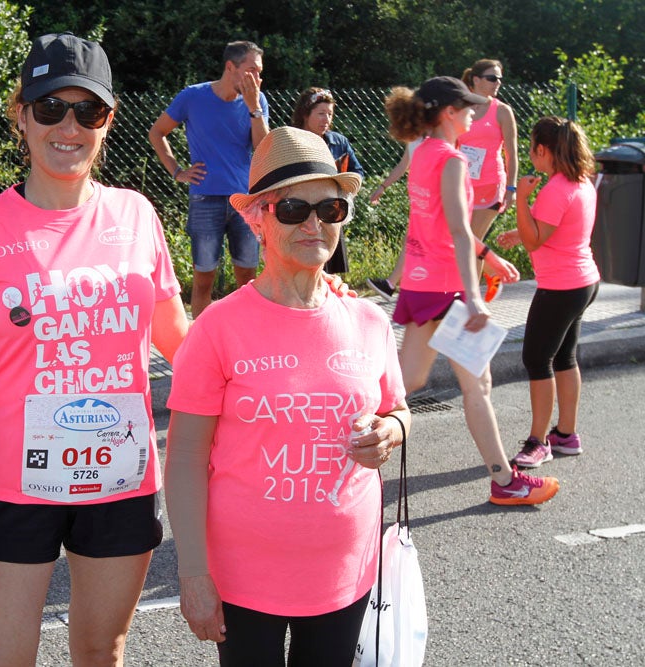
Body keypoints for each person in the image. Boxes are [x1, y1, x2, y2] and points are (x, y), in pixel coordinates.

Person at [0, 33, 191, 666]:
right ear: (21, 114)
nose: (68, 126)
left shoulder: (136, 215)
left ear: (109, 119)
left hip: (119, 481)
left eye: (88, 111)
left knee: (102, 652)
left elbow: (184, 348)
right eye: (50, 108)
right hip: (13, 489)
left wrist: (290, 303)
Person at [164, 126, 411, 666]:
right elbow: (183, 459)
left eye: (330, 208)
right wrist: (193, 573)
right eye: (294, 207)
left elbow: (399, 409)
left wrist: (389, 432)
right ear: (258, 217)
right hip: (243, 575)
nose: (314, 223)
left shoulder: (369, 320)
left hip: (345, 571)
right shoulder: (218, 327)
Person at [384, 76, 559, 506]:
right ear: (448, 112)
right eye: (467, 108)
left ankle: (339, 437)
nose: (474, 114)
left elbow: (437, 225)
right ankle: (506, 480)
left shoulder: (423, 153)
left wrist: (490, 256)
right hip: (448, 290)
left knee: (407, 380)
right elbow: (460, 233)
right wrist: (474, 295)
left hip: (423, 285)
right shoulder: (453, 160)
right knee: (477, 384)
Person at [495, 117, 600, 467]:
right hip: (583, 281)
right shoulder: (580, 182)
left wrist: (521, 199)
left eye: (531, 150)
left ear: (543, 150)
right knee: (564, 357)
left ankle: (538, 442)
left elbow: (535, 237)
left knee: (537, 359)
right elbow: (550, 228)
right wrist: (519, 229)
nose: (530, 157)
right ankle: (566, 435)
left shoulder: (555, 188)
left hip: (560, 287)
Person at [148, 41, 269, 318]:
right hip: (205, 199)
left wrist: (254, 109)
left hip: (245, 202)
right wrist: (177, 170)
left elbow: (263, 149)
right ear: (231, 67)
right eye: (252, 70)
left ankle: (245, 340)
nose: (258, 79)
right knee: (204, 279)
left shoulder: (258, 101)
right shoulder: (193, 96)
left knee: (247, 279)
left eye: (260, 72)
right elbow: (157, 133)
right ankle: (201, 344)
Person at [459, 58, 519, 302]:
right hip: (461, 185)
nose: (498, 83)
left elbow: (512, 154)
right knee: (460, 240)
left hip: (490, 186)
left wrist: (512, 188)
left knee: (472, 240)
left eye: (500, 79)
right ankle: (492, 271)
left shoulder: (502, 111)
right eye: (492, 78)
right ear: (475, 80)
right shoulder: (460, 107)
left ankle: (469, 302)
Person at [289, 87, 365, 274]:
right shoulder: (290, 140)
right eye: (321, 113)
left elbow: (358, 171)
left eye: (330, 114)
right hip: (301, 214)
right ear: (305, 114)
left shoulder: (339, 142)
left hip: (330, 212)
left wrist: (345, 192)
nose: (327, 119)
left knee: (330, 268)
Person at [367, 135, 427, 300]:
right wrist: (382, 187)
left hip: (433, 199)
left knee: (416, 240)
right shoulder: (414, 139)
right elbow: (403, 165)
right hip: (419, 198)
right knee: (413, 241)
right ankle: (400, 284)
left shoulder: (438, 137)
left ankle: (393, 284)